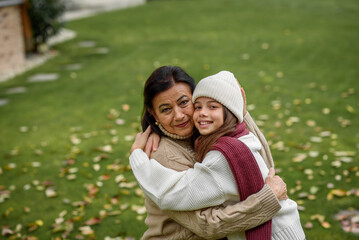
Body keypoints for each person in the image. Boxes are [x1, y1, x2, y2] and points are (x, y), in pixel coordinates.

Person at [130, 70, 305, 240]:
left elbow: (263, 165)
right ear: (154, 114)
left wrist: (240, 114)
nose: (179, 115)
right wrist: (267, 200)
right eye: (166, 109)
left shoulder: (206, 133)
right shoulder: (162, 154)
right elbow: (207, 225)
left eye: (184, 103)